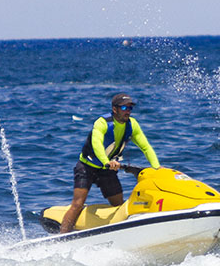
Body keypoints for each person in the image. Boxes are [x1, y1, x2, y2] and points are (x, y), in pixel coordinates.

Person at [59, 93, 160, 234]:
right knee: (77, 204)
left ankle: (120, 233)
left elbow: (146, 147)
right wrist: (107, 162)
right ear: (115, 109)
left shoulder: (132, 125)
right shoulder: (102, 122)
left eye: (130, 108)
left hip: (107, 170)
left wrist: (157, 168)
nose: (128, 111)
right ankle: (62, 236)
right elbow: (97, 145)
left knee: (119, 205)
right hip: (87, 168)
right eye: (124, 107)